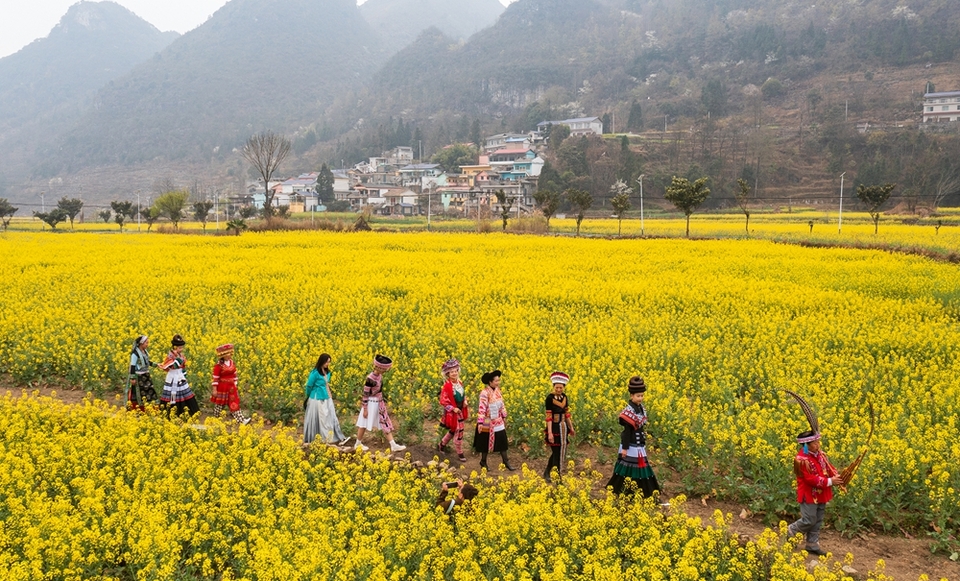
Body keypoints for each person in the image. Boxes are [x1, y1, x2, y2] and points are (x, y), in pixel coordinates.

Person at [787, 429, 846, 556]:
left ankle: (812, 544)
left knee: (818, 519)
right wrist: (831, 481)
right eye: (814, 443)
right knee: (809, 519)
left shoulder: (820, 455)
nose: (817, 445)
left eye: (818, 442)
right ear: (806, 445)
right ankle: (791, 531)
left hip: (821, 493)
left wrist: (838, 476)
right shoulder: (801, 460)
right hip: (809, 494)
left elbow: (828, 468)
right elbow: (810, 479)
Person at [607, 376, 661, 497]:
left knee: (640, 467)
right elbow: (626, 432)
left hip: (639, 445)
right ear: (631, 396)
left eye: (642, 395)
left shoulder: (641, 409)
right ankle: (623, 491)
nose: (640, 398)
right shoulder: (628, 412)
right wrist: (625, 448)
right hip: (630, 446)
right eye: (638, 396)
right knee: (629, 467)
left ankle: (641, 492)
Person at [354, 354, 406, 453]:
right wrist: (365, 409)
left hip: (378, 403)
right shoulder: (370, 378)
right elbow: (365, 394)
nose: (385, 371)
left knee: (385, 423)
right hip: (371, 404)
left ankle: (393, 445)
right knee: (363, 424)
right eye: (384, 369)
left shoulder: (380, 376)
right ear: (378, 367)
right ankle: (357, 443)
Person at [303, 353, 350, 446]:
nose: (327, 364)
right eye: (326, 362)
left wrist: (330, 396)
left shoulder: (327, 372)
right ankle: (324, 439)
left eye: (329, 362)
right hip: (317, 398)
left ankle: (330, 437)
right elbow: (309, 385)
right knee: (322, 418)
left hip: (326, 397)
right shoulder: (315, 373)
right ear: (322, 361)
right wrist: (308, 396)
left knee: (330, 417)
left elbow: (326, 384)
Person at [473, 369, 515, 471]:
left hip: (498, 420)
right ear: (490, 382)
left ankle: (506, 461)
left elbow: (502, 404)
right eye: (496, 381)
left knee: (502, 441)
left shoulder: (498, 391)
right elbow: (482, 408)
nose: (498, 382)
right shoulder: (484, 393)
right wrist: (480, 423)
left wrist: (504, 415)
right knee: (485, 442)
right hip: (487, 421)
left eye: (498, 380)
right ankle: (483, 461)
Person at [543, 371, 575, 481]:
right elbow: (549, 416)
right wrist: (550, 433)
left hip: (563, 427)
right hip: (554, 427)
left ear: (564, 387)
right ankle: (557, 477)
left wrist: (571, 427)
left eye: (561, 388)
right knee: (556, 452)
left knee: (559, 452)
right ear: (553, 386)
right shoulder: (549, 398)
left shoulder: (564, 397)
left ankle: (547, 472)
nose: (558, 389)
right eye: (557, 387)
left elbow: (567, 414)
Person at [158, 334, 200, 418]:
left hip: (180, 376)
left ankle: (187, 412)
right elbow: (168, 366)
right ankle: (171, 412)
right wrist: (178, 361)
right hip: (173, 377)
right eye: (180, 348)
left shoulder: (181, 355)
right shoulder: (170, 356)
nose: (181, 349)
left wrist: (185, 376)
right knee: (173, 394)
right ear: (174, 347)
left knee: (184, 393)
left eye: (182, 347)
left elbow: (183, 367)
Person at [437, 359, 469, 463]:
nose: (454, 373)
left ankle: (442, 444)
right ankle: (459, 452)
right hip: (453, 413)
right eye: (452, 372)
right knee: (459, 431)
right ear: (448, 374)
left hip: (460, 411)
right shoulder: (446, 386)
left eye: (455, 371)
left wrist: (465, 401)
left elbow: (463, 395)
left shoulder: (460, 383)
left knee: (454, 430)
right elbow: (443, 401)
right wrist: (453, 408)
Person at [210, 344, 251, 425]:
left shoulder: (232, 362)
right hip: (222, 388)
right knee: (219, 405)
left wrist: (235, 384)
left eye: (230, 353)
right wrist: (214, 389)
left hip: (231, 387)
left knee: (234, 403)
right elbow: (215, 378)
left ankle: (241, 420)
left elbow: (234, 374)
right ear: (223, 355)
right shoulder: (218, 365)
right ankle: (215, 420)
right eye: (227, 354)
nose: (229, 355)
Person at [126, 335, 158, 410]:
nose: (147, 344)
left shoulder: (144, 351)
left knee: (150, 391)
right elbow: (132, 365)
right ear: (141, 343)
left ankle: (150, 409)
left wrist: (155, 364)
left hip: (146, 375)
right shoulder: (135, 354)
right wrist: (132, 378)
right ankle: (137, 409)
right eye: (146, 343)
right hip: (138, 377)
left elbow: (146, 361)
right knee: (138, 394)